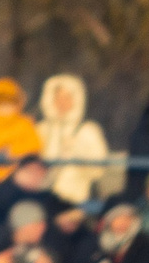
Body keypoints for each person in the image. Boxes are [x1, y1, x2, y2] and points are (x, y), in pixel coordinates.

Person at [36, 73, 114, 205]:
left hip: (76, 199)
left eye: (67, 97)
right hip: (43, 198)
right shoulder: (40, 129)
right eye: (58, 97)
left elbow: (99, 169)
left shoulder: (89, 131)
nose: (62, 102)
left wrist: (77, 157)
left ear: (77, 100)